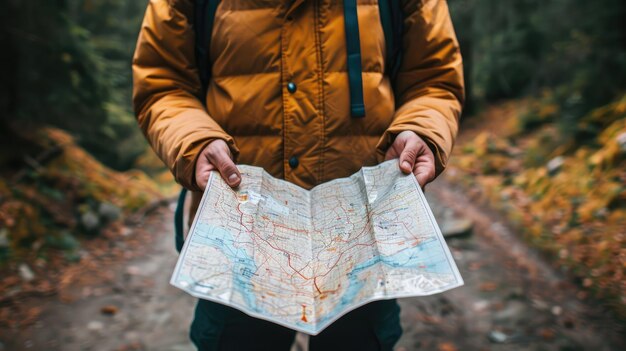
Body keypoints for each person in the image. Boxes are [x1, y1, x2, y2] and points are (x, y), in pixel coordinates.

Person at [132, 0, 463, 349]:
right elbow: (162, 83)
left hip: (361, 240)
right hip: (241, 238)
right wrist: (194, 141)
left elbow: (434, 79)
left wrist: (421, 130)